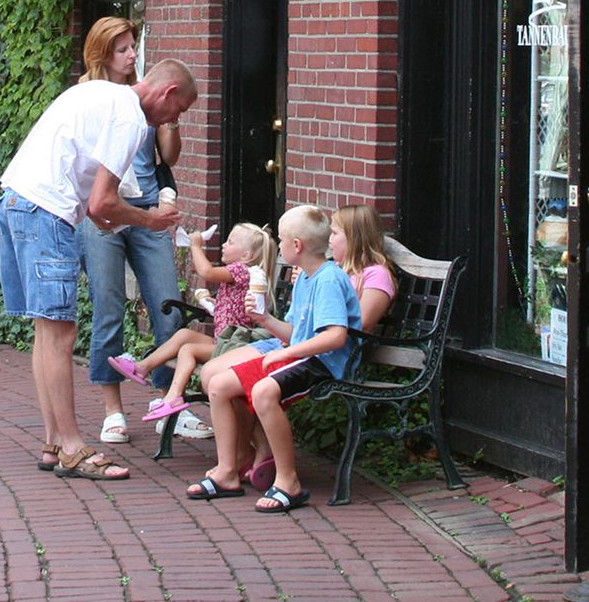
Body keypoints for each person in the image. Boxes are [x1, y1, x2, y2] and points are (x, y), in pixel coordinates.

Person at [0, 58, 195, 481]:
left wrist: (107, 214)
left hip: (17, 200)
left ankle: (53, 442)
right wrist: (149, 220)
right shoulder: (130, 119)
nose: (175, 120)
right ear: (168, 93)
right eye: (179, 112)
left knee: (45, 329)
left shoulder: (101, 92)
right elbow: (101, 203)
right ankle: (72, 447)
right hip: (46, 211)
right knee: (60, 332)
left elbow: (94, 197)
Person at [75, 16, 214, 443]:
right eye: (122, 48)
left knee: (168, 304)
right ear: (102, 53)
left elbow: (168, 157)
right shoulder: (90, 95)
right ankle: (112, 410)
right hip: (102, 213)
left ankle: (168, 401)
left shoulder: (150, 96)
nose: (132, 54)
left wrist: (170, 117)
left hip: (149, 209)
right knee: (109, 305)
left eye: (133, 46)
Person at [186, 204, 359, 512]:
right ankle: (227, 472)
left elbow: (335, 336)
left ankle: (288, 481)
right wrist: (264, 318)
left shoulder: (329, 279)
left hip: (324, 362)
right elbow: (295, 331)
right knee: (220, 385)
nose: (277, 246)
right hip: (300, 355)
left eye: (280, 239)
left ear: (297, 246)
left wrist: (288, 351)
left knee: (264, 390)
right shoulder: (305, 278)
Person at [109, 220, 278, 422]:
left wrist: (195, 245)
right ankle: (142, 367)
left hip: (235, 346)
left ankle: (174, 397)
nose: (224, 244)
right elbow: (232, 311)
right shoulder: (239, 274)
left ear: (246, 256)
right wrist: (210, 302)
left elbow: (206, 272)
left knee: (188, 349)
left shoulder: (242, 271)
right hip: (225, 341)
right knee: (184, 335)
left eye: (230, 242)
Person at [332, 204, 397, 332]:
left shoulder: (378, 275)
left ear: (354, 238)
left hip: (344, 346)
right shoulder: (336, 270)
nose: (329, 239)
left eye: (334, 233)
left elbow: (362, 323)